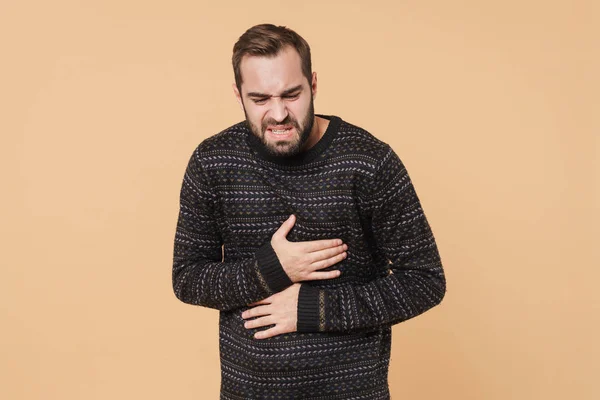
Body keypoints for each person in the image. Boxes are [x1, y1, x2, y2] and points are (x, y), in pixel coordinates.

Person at [172, 23, 446, 400]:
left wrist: (315, 309)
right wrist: (270, 270)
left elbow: (425, 280)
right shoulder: (213, 162)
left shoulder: (368, 162)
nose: (279, 113)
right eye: (260, 99)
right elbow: (187, 278)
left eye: (291, 94)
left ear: (313, 84)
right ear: (238, 95)